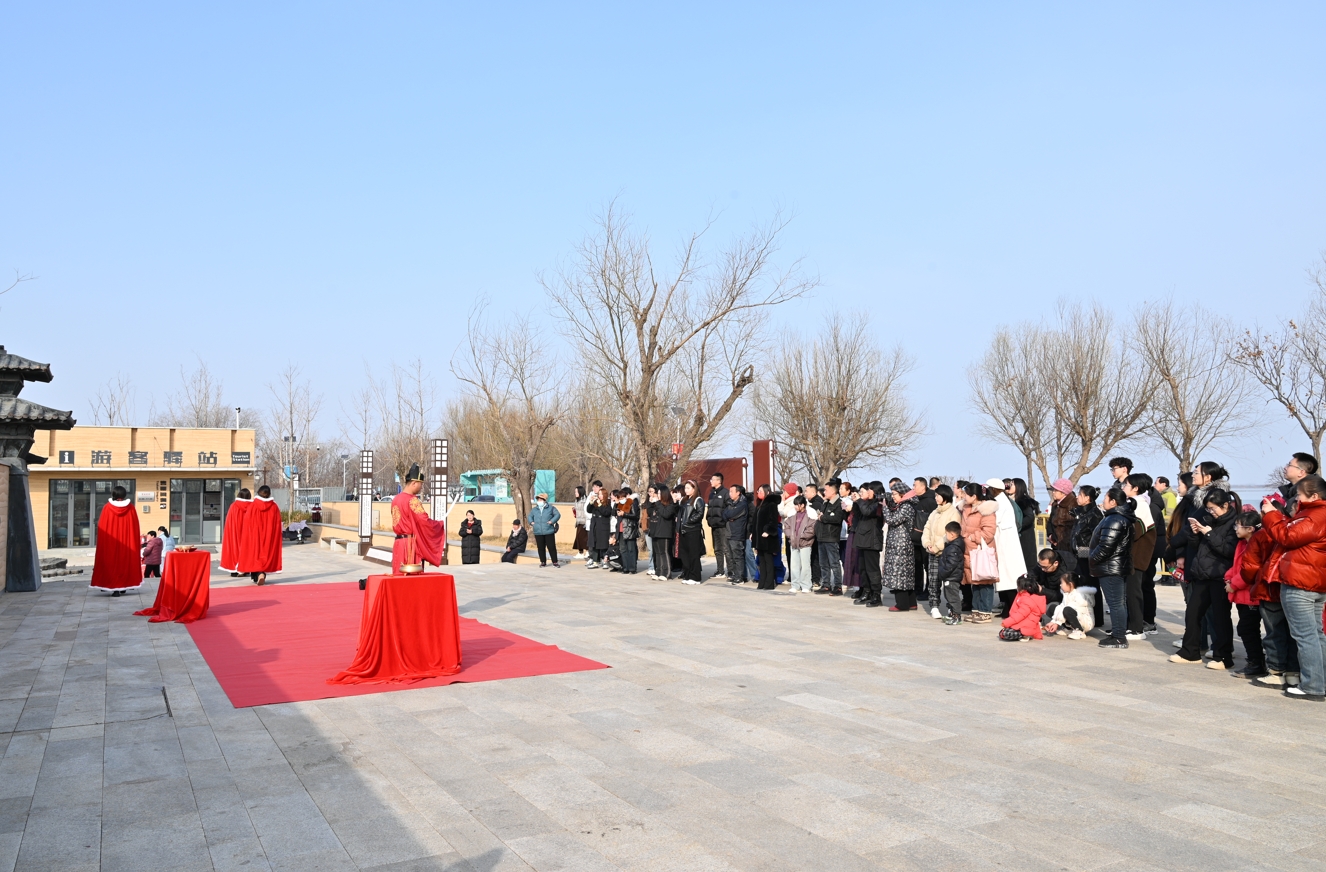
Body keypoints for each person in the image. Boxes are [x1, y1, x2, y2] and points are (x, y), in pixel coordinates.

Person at [1260, 475, 1326, 701]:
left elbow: (1287, 536)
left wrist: (1271, 515)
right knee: (1316, 635)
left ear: (1314, 496)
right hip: (1313, 582)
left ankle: (1313, 686)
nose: (1297, 499)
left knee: (1306, 636)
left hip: (1301, 583)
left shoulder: (1315, 515)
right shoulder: (1313, 514)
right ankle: (1319, 682)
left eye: (1299, 495)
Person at [1169, 487, 1238, 669]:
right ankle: (1190, 652)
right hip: (1202, 574)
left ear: (1225, 505)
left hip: (1221, 576)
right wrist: (1194, 533)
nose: (1211, 512)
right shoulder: (1208, 520)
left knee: (1220, 617)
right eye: (1208, 508)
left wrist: (1208, 533)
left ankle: (1223, 657)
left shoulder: (1234, 523)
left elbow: (1229, 550)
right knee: (1193, 613)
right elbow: (1197, 546)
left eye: (1213, 508)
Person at [1226, 509, 1270, 679]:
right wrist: (1228, 578)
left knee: (1247, 629)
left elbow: (1251, 571)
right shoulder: (1242, 543)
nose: (1236, 529)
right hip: (1242, 594)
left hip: (1251, 594)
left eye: (1238, 526)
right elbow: (1236, 566)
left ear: (1250, 528)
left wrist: (1234, 584)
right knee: (1247, 629)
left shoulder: (1257, 544)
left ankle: (1256, 663)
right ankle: (1255, 661)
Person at [1090, 487, 1134, 649]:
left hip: (1110, 567)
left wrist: (1092, 559)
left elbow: (1106, 547)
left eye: (1105, 498)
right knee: (1118, 602)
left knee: (1115, 603)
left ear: (1113, 502)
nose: (1103, 501)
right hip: (1115, 566)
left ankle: (1119, 637)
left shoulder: (1114, 519)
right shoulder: (1119, 517)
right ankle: (1118, 633)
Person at [387, 464, 446, 575]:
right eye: (420, 484)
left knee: (398, 577)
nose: (421, 487)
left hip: (398, 544)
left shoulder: (396, 499)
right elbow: (424, 521)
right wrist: (438, 524)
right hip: (409, 546)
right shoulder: (412, 500)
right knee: (411, 579)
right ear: (414, 483)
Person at [1121, 474, 1157, 642]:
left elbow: (1134, 531)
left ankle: (1137, 629)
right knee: (1129, 592)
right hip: (1132, 556)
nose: (1123, 488)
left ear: (1136, 488)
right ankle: (1130, 626)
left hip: (1137, 556)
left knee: (1133, 592)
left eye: (1126, 485)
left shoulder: (1140, 505)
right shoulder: (1133, 503)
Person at [89, 485, 143, 597]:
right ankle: (123, 586)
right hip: (127, 543)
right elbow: (134, 527)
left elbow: (102, 527)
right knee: (125, 563)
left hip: (111, 543)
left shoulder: (107, 508)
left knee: (111, 562)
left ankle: (115, 588)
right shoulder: (131, 508)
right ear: (124, 494)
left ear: (113, 494)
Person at [987, 478, 1029, 618]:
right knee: (1006, 577)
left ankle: (1012, 609)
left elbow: (995, 521)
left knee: (1009, 577)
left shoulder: (1000, 503)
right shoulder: (1002, 500)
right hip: (1004, 542)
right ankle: (1008, 608)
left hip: (1006, 545)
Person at [921, 484, 960, 618]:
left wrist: (937, 547)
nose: (936, 498)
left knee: (949, 583)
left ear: (945, 496)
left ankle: (951, 608)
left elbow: (950, 534)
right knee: (933, 581)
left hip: (947, 553)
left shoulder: (953, 513)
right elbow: (926, 529)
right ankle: (934, 606)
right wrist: (927, 544)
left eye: (938, 495)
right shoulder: (934, 512)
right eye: (935, 495)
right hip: (932, 552)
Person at [961, 483, 998, 622]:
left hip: (981, 551)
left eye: (966, 494)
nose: (964, 497)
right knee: (975, 582)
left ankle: (985, 612)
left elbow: (989, 532)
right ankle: (976, 610)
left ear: (974, 496)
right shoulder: (965, 508)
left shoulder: (986, 510)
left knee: (985, 582)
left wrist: (971, 538)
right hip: (969, 551)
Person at [881, 481, 918, 611]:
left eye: (895, 494)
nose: (893, 497)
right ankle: (911, 602)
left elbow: (892, 520)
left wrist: (885, 508)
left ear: (902, 494)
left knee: (899, 573)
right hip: (900, 543)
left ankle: (902, 604)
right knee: (905, 574)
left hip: (901, 544)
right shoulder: (904, 505)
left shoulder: (906, 506)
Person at [238, 484, 283, 585]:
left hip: (255, 536)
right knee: (265, 555)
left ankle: (259, 574)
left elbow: (247, 523)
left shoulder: (253, 506)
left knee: (254, 555)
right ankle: (261, 574)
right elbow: (277, 524)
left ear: (258, 493)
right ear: (269, 494)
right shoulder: (274, 506)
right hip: (268, 536)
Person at [850, 482, 884, 607]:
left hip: (872, 540)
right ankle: (866, 591)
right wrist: (856, 502)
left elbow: (867, 512)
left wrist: (860, 501)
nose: (867, 492)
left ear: (875, 491)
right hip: (862, 539)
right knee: (863, 569)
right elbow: (858, 514)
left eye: (869, 490)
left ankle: (876, 594)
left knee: (872, 569)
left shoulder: (879, 503)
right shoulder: (866, 503)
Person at [815, 483, 846, 596]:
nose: (824, 492)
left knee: (834, 563)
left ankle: (838, 586)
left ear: (833, 491)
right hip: (821, 536)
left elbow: (837, 518)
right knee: (823, 563)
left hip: (831, 537)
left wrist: (823, 517)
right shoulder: (825, 503)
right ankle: (826, 584)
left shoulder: (839, 503)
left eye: (826, 490)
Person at [782, 495, 817, 593]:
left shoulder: (810, 514)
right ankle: (795, 585)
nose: (795, 507)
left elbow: (812, 529)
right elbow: (786, 526)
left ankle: (806, 585)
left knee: (805, 566)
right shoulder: (792, 515)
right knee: (794, 565)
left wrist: (801, 536)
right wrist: (791, 536)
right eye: (795, 505)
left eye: (797, 505)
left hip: (805, 543)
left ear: (802, 505)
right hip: (794, 543)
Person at [909, 476, 937, 601]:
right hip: (915, 539)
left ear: (923, 486)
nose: (913, 487)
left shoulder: (930, 501)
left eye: (915, 485)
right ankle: (917, 588)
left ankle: (929, 590)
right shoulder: (914, 500)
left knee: (928, 566)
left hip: (927, 539)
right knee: (917, 565)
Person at [935, 521, 966, 625]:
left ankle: (957, 616)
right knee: (948, 596)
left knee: (953, 597)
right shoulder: (952, 545)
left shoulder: (954, 548)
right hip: (950, 577)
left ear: (952, 534)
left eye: (946, 533)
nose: (945, 535)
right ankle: (952, 614)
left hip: (952, 577)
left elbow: (951, 565)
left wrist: (942, 573)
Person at [753, 484, 783, 591]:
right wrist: (753, 532)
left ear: (767, 492)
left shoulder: (771, 504)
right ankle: (762, 582)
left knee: (768, 560)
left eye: (761, 491)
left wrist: (768, 531)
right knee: (761, 560)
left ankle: (769, 583)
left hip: (767, 537)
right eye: (758, 491)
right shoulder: (759, 504)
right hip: (759, 537)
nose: (759, 493)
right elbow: (755, 521)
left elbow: (773, 520)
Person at [1009, 478, 1040, 573]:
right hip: (1016, 535)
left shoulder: (1023, 501)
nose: (1009, 486)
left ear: (1018, 487)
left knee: (1027, 562)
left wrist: (1017, 527)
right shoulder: (1010, 499)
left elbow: (1030, 517)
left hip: (1025, 536)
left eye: (1012, 484)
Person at [1002, 575, 1047, 640]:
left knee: (1006, 633)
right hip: (1024, 625)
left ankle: (1025, 635)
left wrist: (1007, 622)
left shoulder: (1027, 600)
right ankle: (1025, 634)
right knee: (1003, 632)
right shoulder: (1025, 597)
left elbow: (1020, 615)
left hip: (1025, 627)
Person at [220, 487, 252, 577]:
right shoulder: (252, 506)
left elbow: (229, 522)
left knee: (234, 549)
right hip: (248, 532)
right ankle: (245, 569)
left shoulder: (234, 506)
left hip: (235, 532)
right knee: (247, 549)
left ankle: (234, 569)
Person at [646, 485, 677, 579]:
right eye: (657, 493)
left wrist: (657, 503)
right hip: (655, 531)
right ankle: (659, 571)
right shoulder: (657, 504)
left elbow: (665, 514)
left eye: (659, 493)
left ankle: (666, 573)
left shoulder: (670, 505)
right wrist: (650, 503)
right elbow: (650, 513)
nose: (658, 495)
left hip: (664, 532)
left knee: (664, 552)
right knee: (657, 553)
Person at [723, 484, 751, 584]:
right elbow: (724, 514)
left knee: (738, 556)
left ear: (738, 493)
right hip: (729, 532)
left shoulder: (742, 504)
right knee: (731, 556)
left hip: (737, 533)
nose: (730, 493)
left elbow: (731, 514)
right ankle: (735, 575)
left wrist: (730, 516)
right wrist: (729, 517)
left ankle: (740, 577)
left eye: (732, 491)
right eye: (729, 491)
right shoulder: (730, 503)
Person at [528, 493, 562, 568]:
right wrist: (531, 522)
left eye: (540, 499)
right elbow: (529, 516)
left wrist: (552, 521)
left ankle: (555, 562)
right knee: (540, 547)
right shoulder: (534, 509)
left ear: (544, 500)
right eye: (538, 499)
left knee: (551, 547)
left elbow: (557, 515)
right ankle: (543, 562)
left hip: (548, 531)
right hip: (538, 531)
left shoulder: (551, 508)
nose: (539, 501)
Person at [706, 472, 730, 580]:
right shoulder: (711, 493)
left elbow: (728, 508)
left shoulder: (725, 493)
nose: (711, 481)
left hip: (723, 525)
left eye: (713, 479)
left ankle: (731, 571)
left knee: (726, 549)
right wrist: (709, 519)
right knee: (717, 549)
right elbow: (710, 508)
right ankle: (720, 571)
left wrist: (722, 519)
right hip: (714, 525)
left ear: (719, 481)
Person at [586, 482, 613, 569]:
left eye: (601, 494)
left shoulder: (608, 503)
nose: (600, 496)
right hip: (595, 525)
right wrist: (591, 502)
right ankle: (595, 561)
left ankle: (605, 561)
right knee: (594, 544)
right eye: (599, 494)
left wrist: (600, 504)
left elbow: (606, 512)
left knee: (603, 544)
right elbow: (588, 510)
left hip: (603, 527)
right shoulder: (595, 502)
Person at [614, 487, 640, 574]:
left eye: (622, 498)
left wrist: (624, 514)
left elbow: (635, 515)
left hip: (629, 529)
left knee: (631, 549)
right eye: (619, 498)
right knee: (623, 549)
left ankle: (632, 568)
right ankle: (625, 567)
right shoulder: (619, 505)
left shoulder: (631, 503)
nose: (621, 500)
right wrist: (616, 505)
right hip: (620, 529)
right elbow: (613, 513)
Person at [1047, 478, 1077, 550]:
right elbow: (1050, 521)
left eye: (1056, 490)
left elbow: (1072, 526)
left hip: (1067, 545)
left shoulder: (1073, 504)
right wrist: (1050, 535)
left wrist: (1059, 539)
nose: (1053, 492)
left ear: (1063, 492)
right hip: (1056, 544)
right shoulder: (1055, 504)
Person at [571, 485, 590, 559]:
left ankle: (587, 551)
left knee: (584, 538)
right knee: (578, 537)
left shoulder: (585, 500)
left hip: (584, 522)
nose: (575, 493)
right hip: (579, 521)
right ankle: (580, 552)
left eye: (576, 492)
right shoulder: (577, 500)